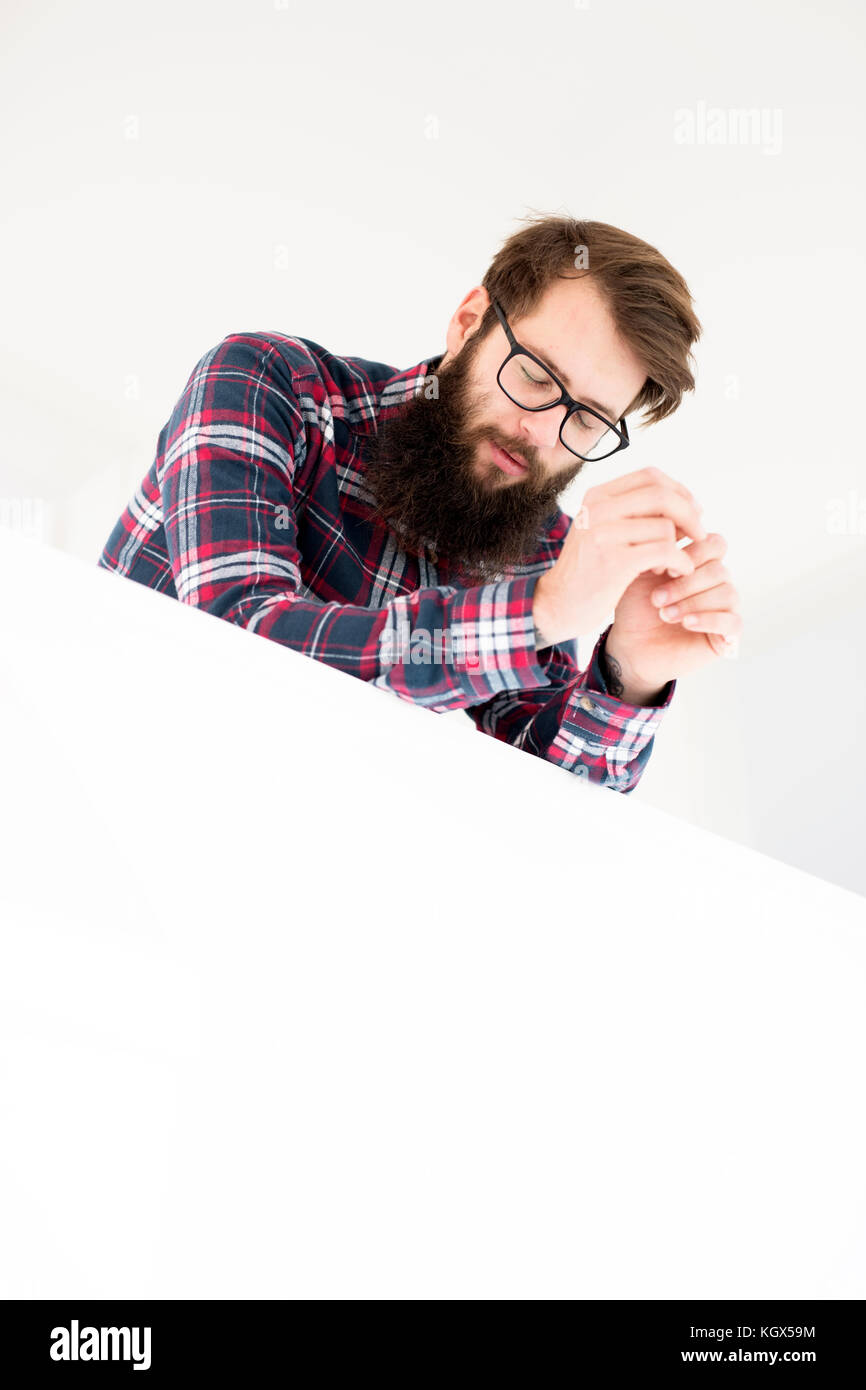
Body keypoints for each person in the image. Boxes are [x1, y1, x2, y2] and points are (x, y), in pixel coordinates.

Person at [97, 214, 742, 793]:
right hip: (101, 767)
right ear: (468, 325)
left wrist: (630, 670)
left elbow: (547, 800)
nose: (542, 431)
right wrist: (540, 613)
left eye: (588, 420)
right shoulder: (271, 383)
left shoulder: (544, 545)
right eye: (536, 377)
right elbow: (233, 637)